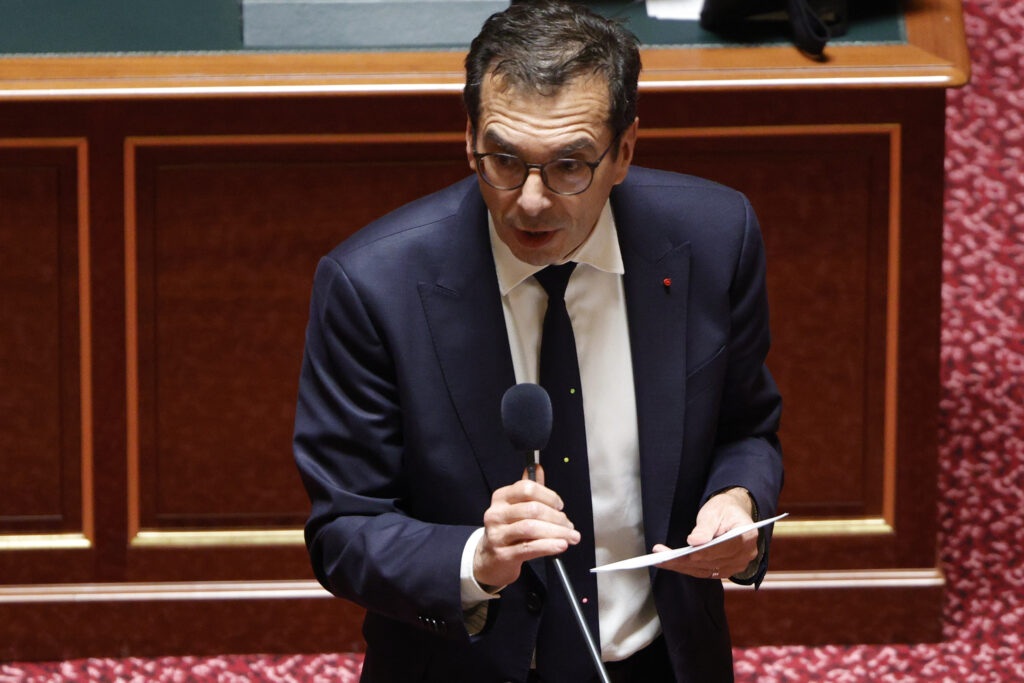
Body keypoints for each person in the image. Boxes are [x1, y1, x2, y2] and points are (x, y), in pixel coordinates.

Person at [293, 2, 783, 681]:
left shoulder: (715, 238)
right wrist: (476, 558)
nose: (529, 200)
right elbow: (345, 529)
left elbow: (747, 427)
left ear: (624, 152)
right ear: (469, 139)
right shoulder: (372, 287)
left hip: (661, 660)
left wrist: (739, 503)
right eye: (504, 159)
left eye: (569, 165)